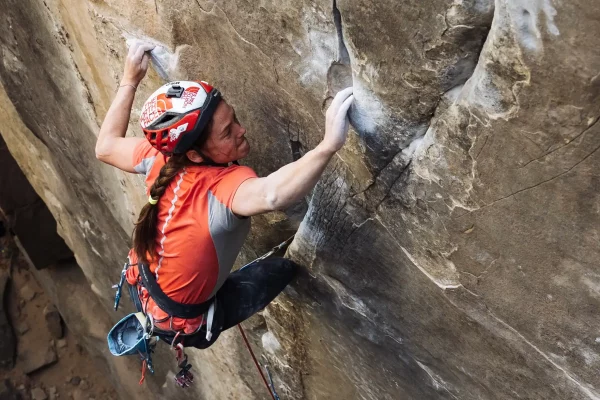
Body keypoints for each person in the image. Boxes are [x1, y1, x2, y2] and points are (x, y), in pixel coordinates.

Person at [96, 41, 354, 349]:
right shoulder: (223, 188)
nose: (242, 129)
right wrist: (328, 146)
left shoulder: (160, 158)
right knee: (283, 268)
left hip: (144, 278)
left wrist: (129, 80)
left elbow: (106, 147)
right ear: (192, 154)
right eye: (227, 132)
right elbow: (273, 195)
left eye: (233, 118)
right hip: (184, 321)